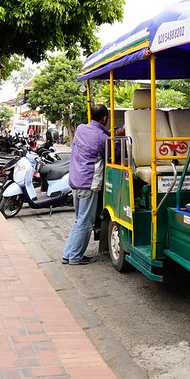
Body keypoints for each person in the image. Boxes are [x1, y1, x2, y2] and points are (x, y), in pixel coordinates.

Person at [62, 104, 110, 265]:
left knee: (79, 219)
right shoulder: (103, 138)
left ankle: (68, 254)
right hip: (89, 184)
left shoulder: (81, 129)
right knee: (85, 222)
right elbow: (114, 153)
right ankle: (75, 257)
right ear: (104, 118)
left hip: (75, 181)